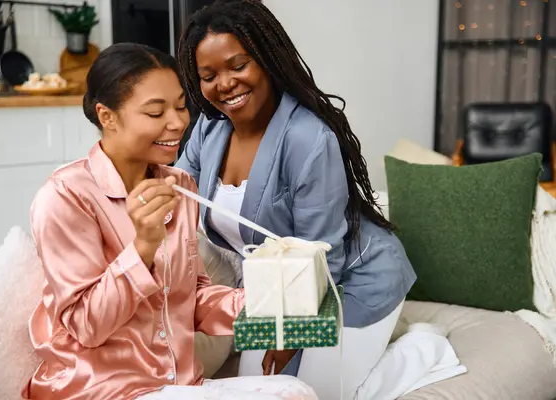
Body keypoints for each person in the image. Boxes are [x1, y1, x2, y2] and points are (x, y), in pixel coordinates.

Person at [21, 43, 318, 400]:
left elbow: (189, 299)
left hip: (177, 385)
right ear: (107, 116)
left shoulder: (181, 188)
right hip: (99, 389)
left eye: (180, 106)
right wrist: (143, 246)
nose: (178, 122)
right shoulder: (66, 197)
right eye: (155, 112)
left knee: (294, 390)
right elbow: (87, 326)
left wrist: (267, 304)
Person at [175, 1, 417, 399]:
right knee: (257, 386)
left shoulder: (307, 138)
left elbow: (324, 255)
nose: (225, 83)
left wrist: (292, 337)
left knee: (315, 391)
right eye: (209, 75)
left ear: (267, 60)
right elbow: (177, 192)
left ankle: (421, 349)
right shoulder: (210, 129)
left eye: (238, 65)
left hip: (349, 282)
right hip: (280, 289)